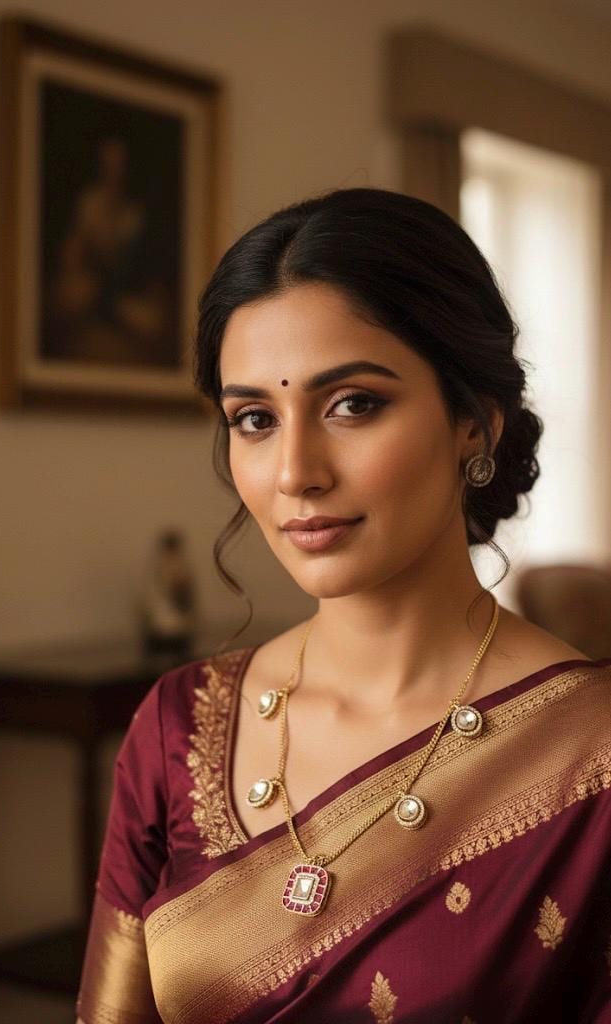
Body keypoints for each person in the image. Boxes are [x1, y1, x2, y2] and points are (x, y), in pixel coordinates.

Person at [75, 188, 611, 1024]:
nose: (295, 471)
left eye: (353, 404)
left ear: (472, 421)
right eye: (253, 418)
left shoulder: (593, 757)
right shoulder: (177, 727)